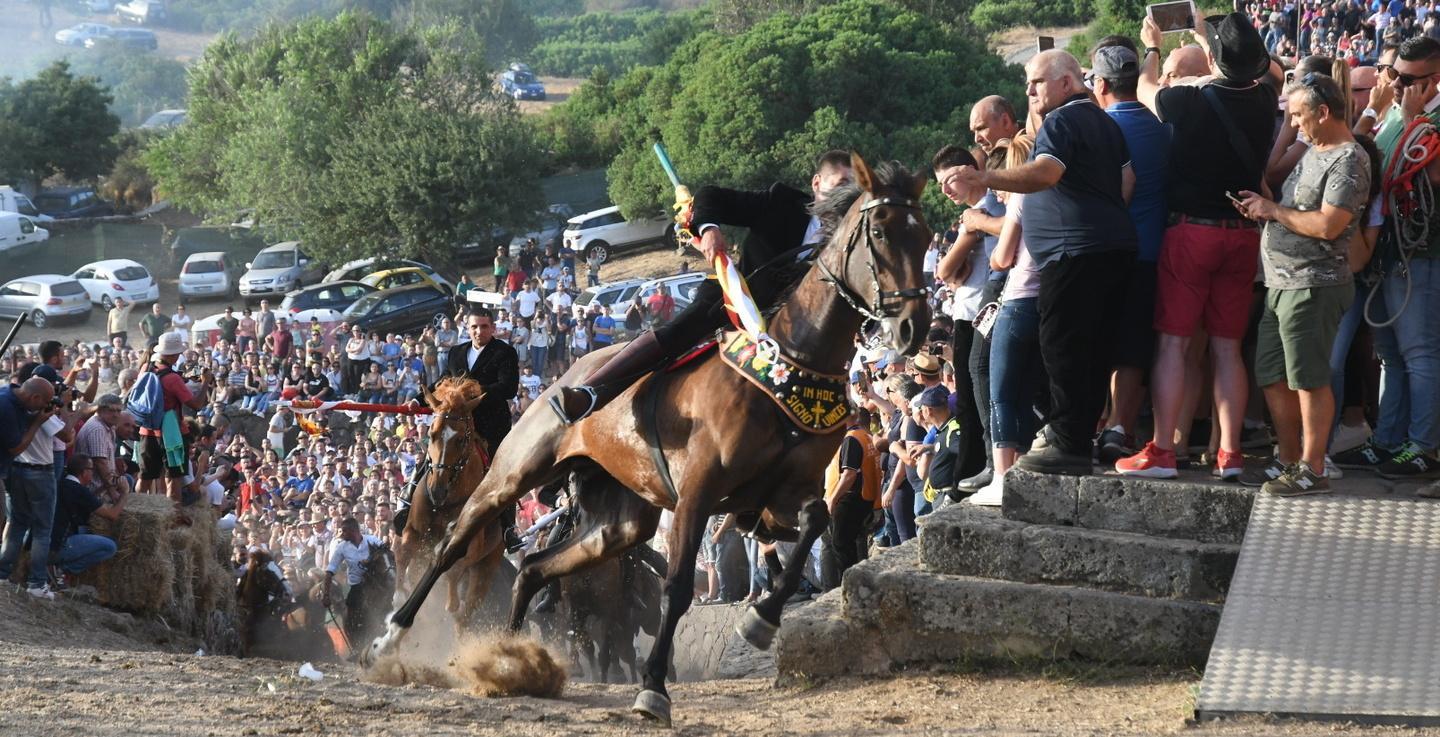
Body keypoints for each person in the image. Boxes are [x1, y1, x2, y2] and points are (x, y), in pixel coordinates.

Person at [550, 149, 854, 424]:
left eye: (853, 187)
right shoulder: (782, 202)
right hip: (737, 303)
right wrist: (709, 230)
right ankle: (591, 392)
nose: (847, 193)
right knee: (681, 329)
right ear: (816, 184)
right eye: (840, 184)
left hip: (798, 332)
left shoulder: (853, 236)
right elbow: (711, 197)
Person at [953, 50, 1138, 475]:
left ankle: (1068, 444)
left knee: (1063, 349)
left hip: (1072, 254)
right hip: (1111, 247)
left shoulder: (1062, 121)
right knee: (1090, 351)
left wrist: (983, 177)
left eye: (1037, 82)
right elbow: (1128, 181)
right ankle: (1075, 438)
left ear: (1067, 84)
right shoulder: (1108, 124)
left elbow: (1045, 174)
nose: (1029, 91)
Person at [1118, 13, 1276, 480]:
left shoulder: (1186, 99)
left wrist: (1152, 46)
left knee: (1174, 343)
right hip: (1243, 234)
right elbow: (1260, 71)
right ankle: (1229, 453)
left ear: (1212, 59)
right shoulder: (1267, 99)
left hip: (1191, 232)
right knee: (1227, 348)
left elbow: (1145, 88)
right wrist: (1208, 34)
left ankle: (1163, 449)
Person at [1236, 73, 1370, 495]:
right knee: (1273, 374)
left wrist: (1273, 212)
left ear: (1323, 112)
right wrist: (1264, 207)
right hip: (1282, 283)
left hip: (1313, 284)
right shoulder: (1316, 150)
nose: (1293, 125)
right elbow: (1296, 208)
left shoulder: (1348, 158)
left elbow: (1330, 226)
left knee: (1309, 378)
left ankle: (1313, 469)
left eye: (1298, 116)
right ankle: (1290, 461)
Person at [1337, 36, 1440, 480]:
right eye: (1393, 75)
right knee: (1392, 355)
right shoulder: (1401, 113)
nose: (1395, 84)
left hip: (1419, 254)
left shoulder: (1425, 119)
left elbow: (1419, 177)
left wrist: (1415, 120)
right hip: (1387, 252)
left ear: (1434, 80)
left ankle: (1423, 446)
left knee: (1419, 353)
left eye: (1408, 79)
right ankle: (1389, 440)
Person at [1089, 41, 1174, 465]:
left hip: (1106, 249)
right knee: (1135, 342)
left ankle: (1102, 422)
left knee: (1102, 338)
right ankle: (1120, 425)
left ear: (1101, 84)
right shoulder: (1161, 126)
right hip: (1153, 248)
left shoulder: (1097, 127)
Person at [0, 378, 68, 600]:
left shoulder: (11, 398)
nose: (44, 407)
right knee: (42, 529)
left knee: (17, 523)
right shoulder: (8, 407)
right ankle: (37, 583)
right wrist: (39, 422)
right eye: (44, 402)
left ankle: (2, 573)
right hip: (38, 472)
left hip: (14, 470)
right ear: (35, 397)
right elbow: (17, 446)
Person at [137, 332, 209, 501]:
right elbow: (196, 405)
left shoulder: (146, 369)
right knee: (173, 477)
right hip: (171, 434)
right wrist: (205, 381)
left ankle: (137, 509)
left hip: (147, 430)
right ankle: (173, 515)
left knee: (145, 477)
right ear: (175, 355)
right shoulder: (173, 379)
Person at [821, 409, 879, 590]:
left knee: (841, 546)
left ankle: (851, 588)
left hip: (849, 500)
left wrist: (832, 500)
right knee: (853, 544)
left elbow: (849, 475)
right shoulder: (866, 436)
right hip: (864, 498)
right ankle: (858, 586)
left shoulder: (851, 438)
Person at [51, 454, 122, 580]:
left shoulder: (62, 482)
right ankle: (63, 569)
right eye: (92, 470)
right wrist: (125, 494)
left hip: (47, 543)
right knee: (110, 547)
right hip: (59, 547)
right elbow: (112, 515)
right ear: (84, 472)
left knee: (90, 531)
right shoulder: (79, 490)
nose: (93, 473)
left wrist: (104, 487)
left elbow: (88, 500)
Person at [321, 518, 386, 649]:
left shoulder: (371, 540)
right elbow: (330, 571)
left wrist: (369, 560)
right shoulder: (341, 547)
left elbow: (386, 552)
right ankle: (355, 647)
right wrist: (326, 594)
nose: (341, 534)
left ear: (354, 531)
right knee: (349, 616)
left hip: (377, 584)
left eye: (344, 531)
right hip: (357, 587)